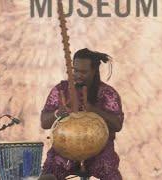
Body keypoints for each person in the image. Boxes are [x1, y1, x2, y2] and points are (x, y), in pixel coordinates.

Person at [39, 48, 124, 180]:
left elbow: (117, 125)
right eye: (75, 70)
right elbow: (44, 123)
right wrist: (58, 113)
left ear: (94, 71)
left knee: (110, 173)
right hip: (64, 151)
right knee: (48, 176)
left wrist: (93, 110)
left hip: (99, 150)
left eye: (83, 72)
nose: (78, 75)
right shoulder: (61, 90)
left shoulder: (108, 93)